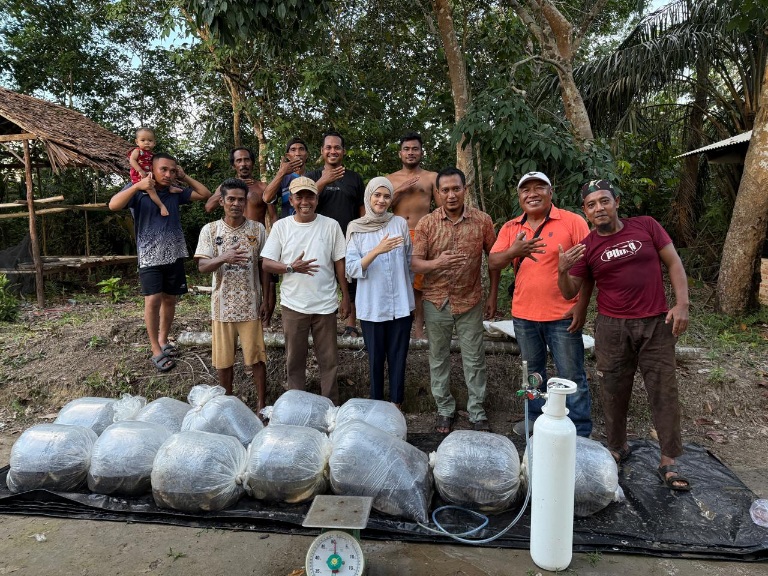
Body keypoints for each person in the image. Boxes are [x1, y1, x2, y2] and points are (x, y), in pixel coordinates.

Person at [558, 179, 691, 491]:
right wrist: (562, 269)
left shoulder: (646, 226)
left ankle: (669, 459)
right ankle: (617, 447)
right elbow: (570, 291)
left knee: (663, 389)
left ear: (616, 202)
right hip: (612, 327)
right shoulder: (588, 247)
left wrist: (682, 304)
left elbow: (673, 261)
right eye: (591, 204)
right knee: (613, 389)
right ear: (585, 211)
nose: (599, 208)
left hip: (655, 323)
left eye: (604, 200)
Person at [489, 171, 593, 437]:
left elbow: (589, 265)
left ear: (551, 192)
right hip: (524, 315)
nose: (532, 194)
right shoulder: (511, 227)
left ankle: (579, 430)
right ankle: (535, 421)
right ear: (519, 196)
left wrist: (581, 306)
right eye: (526, 189)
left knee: (571, 375)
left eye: (539, 188)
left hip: (563, 315)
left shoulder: (572, 221)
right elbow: (493, 262)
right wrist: (514, 251)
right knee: (532, 375)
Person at [411, 167, 499, 433]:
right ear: (438, 193)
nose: (451, 195)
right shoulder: (427, 223)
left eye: (456, 189)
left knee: (474, 358)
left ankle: (477, 411)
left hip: (469, 300)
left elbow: (494, 260)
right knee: (438, 357)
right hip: (436, 301)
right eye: (445, 190)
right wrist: (438, 263)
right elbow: (415, 263)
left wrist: (493, 294)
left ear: (465, 190)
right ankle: (444, 409)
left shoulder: (482, 221)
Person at [109, 153, 211, 372]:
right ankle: (155, 348)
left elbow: (205, 194)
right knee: (153, 299)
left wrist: (184, 177)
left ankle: (164, 340)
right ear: (152, 170)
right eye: (163, 169)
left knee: (169, 299)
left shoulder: (174, 192)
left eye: (172, 170)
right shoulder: (139, 191)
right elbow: (113, 205)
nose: (168, 174)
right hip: (149, 256)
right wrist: (137, 186)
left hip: (174, 253)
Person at [261, 176, 350, 405]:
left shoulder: (330, 225)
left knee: (329, 361)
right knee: (294, 361)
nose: (304, 202)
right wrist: (290, 267)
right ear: (291, 200)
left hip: (325, 305)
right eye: (299, 197)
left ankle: (330, 407)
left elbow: (339, 262)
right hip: (293, 305)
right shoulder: (281, 227)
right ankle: (296, 406)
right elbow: (267, 263)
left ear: (317, 199)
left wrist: (346, 296)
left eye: (309, 196)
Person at [194, 178, 272, 411]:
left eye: (240, 199)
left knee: (257, 358)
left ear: (246, 202)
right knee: (224, 360)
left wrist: (266, 299)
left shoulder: (257, 229)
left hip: (250, 304)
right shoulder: (210, 230)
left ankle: (261, 406)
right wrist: (223, 257)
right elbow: (202, 266)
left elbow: (264, 266)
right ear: (221, 201)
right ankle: (227, 405)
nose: (236, 204)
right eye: (231, 199)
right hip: (222, 306)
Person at [346, 177, 414, 408]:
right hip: (372, 305)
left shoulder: (399, 224)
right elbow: (352, 268)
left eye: (386, 196)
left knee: (398, 357)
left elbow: (408, 262)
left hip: (400, 305)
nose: (381, 200)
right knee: (375, 360)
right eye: (377, 195)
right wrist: (377, 250)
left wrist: (406, 292)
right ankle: (376, 408)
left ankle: (396, 406)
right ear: (369, 196)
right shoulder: (356, 228)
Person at [305, 131, 365, 338]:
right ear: (322, 151)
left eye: (337, 147)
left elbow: (361, 209)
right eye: (328, 147)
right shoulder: (311, 177)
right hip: (317, 239)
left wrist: (363, 234)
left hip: (348, 238)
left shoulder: (354, 178)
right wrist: (324, 180)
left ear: (343, 151)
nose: (333, 151)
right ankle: (320, 324)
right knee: (319, 279)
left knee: (350, 281)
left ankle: (351, 325)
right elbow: (304, 199)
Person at [387, 132, 440, 339]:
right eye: (406, 149)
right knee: (397, 282)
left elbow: (441, 209)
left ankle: (418, 330)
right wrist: (400, 190)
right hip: (397, 234)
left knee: (419, 286)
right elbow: (380, 208)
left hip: (422, 234)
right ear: (400, 153)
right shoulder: (390, 179)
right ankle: (397, 328)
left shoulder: (431, 177)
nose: (411, 153)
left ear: (421, 152)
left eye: (415, 149)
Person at [205, 147, 277, 227]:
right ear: (233, 166)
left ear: (252, 163)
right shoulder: (225, 186)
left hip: (256, 233)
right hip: (232, 233)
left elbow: (273, 217)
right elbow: (209, 207)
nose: (243, 164)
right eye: (239, 161)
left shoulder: (263, 187)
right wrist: (234, 184)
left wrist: (275, 234)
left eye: (247, 160)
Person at [127, 127, 170, 217]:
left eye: (150, 140)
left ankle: (170, 188)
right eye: (143, 140)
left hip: (149, 175)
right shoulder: (137, 151)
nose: (146, 142)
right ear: (137, 142)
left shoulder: (153, 155)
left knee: (163, 180)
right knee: (151, 190)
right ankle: (161, 206)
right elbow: (132, 160)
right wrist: (140, 170)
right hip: (140, 176)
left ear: (154, 143)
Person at [262, 137, 309, 219]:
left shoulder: (314, 177)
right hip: (288, 225)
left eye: (301, 149)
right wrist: (281, 173)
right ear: (288, 156)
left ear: (306, 155)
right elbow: (267, 198)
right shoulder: (283, 178)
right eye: (293, 150)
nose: (298, 153)